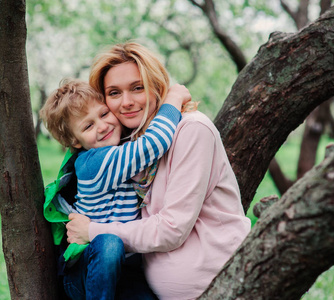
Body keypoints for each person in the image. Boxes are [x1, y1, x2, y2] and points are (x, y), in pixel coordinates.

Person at [65, 42, 252, 299]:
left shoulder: (192, 130)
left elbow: (172, 229)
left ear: (156, 86)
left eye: (137, 88)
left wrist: (92, 230)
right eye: (114, 93)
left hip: (217, 288)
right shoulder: (122, 144)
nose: (127, 102)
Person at [40, 79, 191, 299]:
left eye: (103, 114)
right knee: (110, 243)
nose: (102, 126)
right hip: (87, 268)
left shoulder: (121, 150)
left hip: (125, 270)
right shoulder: (93, 163)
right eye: (88, 126)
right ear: (75, 140)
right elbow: (155, 142)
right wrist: (174, 99)